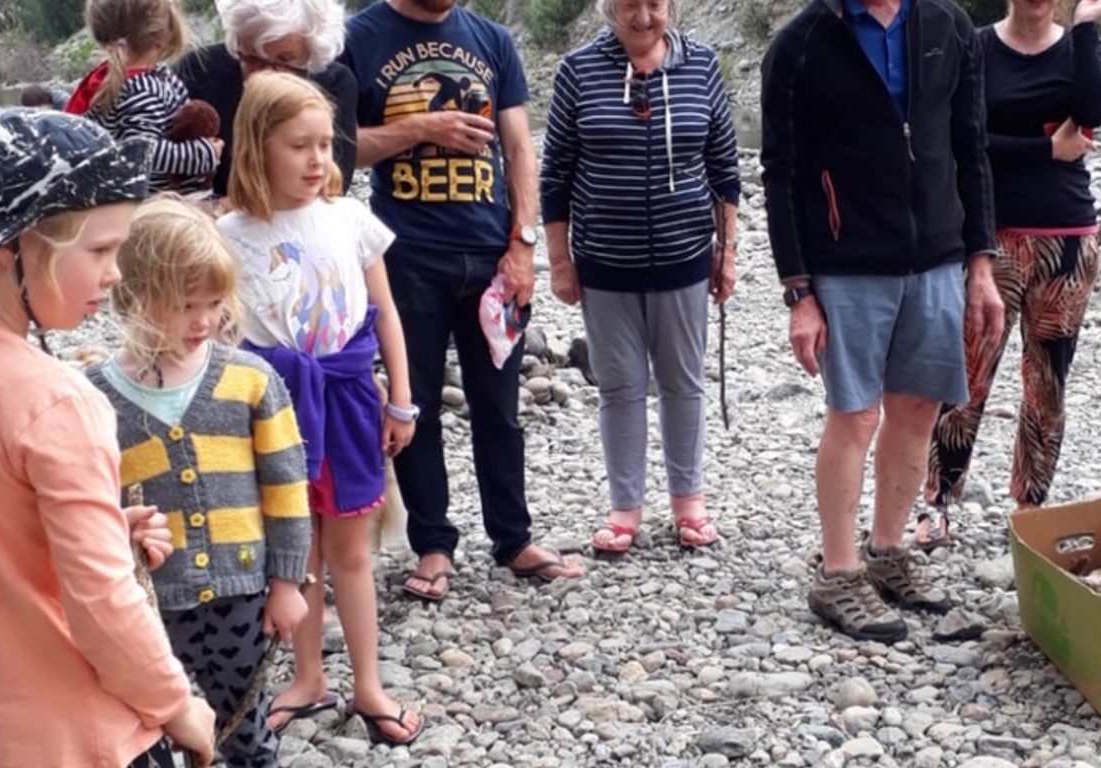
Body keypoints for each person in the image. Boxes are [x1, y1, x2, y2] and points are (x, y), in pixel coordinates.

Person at [0, 109, 216, 768]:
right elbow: (102, 606)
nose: (117, 274)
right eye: (99, 251)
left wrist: (96, 526)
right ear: (15, 248)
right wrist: (180, 708)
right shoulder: (57, 403)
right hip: (76, 738)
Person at [761, 0, 1005, 643]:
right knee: (857, 413)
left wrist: (980, 264)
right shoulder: (802, 44)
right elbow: (780, 173)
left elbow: (969, 147)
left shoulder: (948, 27)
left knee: (919, 408)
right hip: (846, 261)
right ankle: (838, 573)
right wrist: (799, 293)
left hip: (936, 257)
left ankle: (888, 551)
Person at [341, 0, 584, 599]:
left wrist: (524, 244)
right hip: (407, 257)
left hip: (492, 254)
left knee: (499, 407)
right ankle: (433, 547)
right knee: (414, 404)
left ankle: (514, 538)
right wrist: (422, 127)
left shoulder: (493, 39)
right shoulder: (358, 39)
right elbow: (339, 148)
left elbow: (522, 149)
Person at [216, 71, 424, 744]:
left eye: (324, 146)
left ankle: (369, 684)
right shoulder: (228, 235)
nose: (316, 161)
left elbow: (387, 313)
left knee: (352, 553)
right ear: (256, 148)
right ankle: (308, 678)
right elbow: (221, 337)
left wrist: (403, 399)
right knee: (294, 551)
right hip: (274, 408)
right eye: (297, 146)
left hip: (349, 398)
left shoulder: (351, 219)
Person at [89, 195, 312, 768]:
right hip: (152, 603)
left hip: (243, 593)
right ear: (132, 297)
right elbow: (91, 503)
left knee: (243, 721)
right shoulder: (94, 397)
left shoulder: (250, 380)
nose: (205, 321)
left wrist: (288, 584)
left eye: (215, 303)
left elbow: (286, 489)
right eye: (185, 305)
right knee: (163, 723)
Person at [541, 0, 740, 555]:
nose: (644, 16)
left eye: (655, 3)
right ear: (610, 7)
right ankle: (624, 509)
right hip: (605, 264)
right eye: (630, 4)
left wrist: (727, 255)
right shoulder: (578, 70)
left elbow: (725, 169)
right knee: (620, 386)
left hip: (684, 259)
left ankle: (689, 502)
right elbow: (555, 172)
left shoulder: (701, 65)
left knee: (683, 382)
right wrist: (560, 260)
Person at [919, 0, 1101, 550]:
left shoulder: (1083, 45)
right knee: (966, 374)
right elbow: (961, 140)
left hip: (1069, 241)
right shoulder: (977, 47)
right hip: (991, 239)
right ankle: (937, 502)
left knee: (1047, 382)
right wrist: (1045, 148)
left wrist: (1083, 29)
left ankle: (1031, 506)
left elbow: (1095, 110)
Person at [175, 0, 358, 198]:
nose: (266, 75)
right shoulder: (200, 69)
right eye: (254, 58)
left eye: (284, 60)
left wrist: (231, 208)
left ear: (310, 53)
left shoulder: (334, 84)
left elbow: (333, 185)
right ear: (238, 43)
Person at [67, 0, 222, 194]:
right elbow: (143, 152)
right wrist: (205, 153)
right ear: (161, 36)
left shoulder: (107, 81)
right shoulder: (144, 91)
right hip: (166, 205)